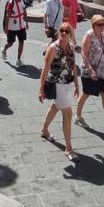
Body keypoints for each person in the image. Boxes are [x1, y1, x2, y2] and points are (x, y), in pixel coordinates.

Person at [39, 22, 80, 162]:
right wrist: (41, 89)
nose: (63, 33)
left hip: (66, 83)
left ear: (70, 33)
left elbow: (73, 66)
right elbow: (45, 69)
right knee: (68, 114)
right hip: (56, 83)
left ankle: (44, 130)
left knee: (56, 106)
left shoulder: (71, 47)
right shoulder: (53, 47)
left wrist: (76, 85)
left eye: (66, 31)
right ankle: (68, 147)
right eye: (61, 30)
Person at [75, 15, 104, 131]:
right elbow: (83, 53)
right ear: (93, 25)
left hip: (103, 71)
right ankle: (78, 116)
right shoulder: (89, 35)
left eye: (103, 24)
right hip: (91, 70)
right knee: (86, 93)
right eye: (99, 24)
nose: (102, 26)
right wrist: (91, 70)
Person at [2, 0, 29, 67]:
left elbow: (24, 12)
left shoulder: (23, 1)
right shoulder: (11, 3)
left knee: (22, 41)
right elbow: (7, 16)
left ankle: (18, 59)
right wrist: (6, 27)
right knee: (10, 43)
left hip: (21, 26)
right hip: (12, 27)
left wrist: (26, 23)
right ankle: (4, 49)